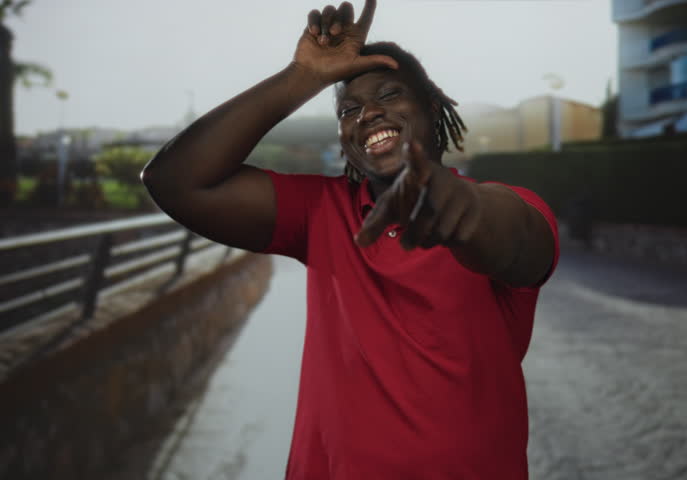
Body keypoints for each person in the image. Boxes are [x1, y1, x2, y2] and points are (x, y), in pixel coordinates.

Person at [141, 1, 559, 478]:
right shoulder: (320, 211)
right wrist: (303, 76)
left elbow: (519, 243)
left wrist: (458, 207)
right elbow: (174, 181)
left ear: (432, 106)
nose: (369, 114)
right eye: (349, 109)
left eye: (390, 95)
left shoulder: (505, 204)